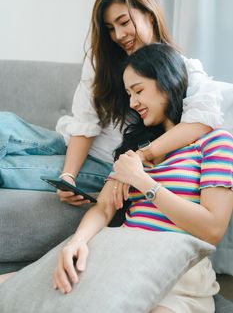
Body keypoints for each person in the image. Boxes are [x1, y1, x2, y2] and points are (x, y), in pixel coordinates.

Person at [2, 44, 231, 312]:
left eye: (139, 90)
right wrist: (78, 241)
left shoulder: (215, 142)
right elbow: (104, 207)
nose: (133, 103)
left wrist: (144, 182)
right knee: (13, 287)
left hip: (177, 276)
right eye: (129, 94)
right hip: (119, 258)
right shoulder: (134, 151)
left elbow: (213, 229)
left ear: (166, 80)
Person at [1, 0, 232, 208]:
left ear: (149, 15)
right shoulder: (102, 62)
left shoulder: (183, 69)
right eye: (111, 28)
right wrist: (68, 176)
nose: (119, 35)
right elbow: (84, 122)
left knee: (5, 168)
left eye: (124, 22)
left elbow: (202, 119)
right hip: (70, 144)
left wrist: (142, 155)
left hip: (106, 165)